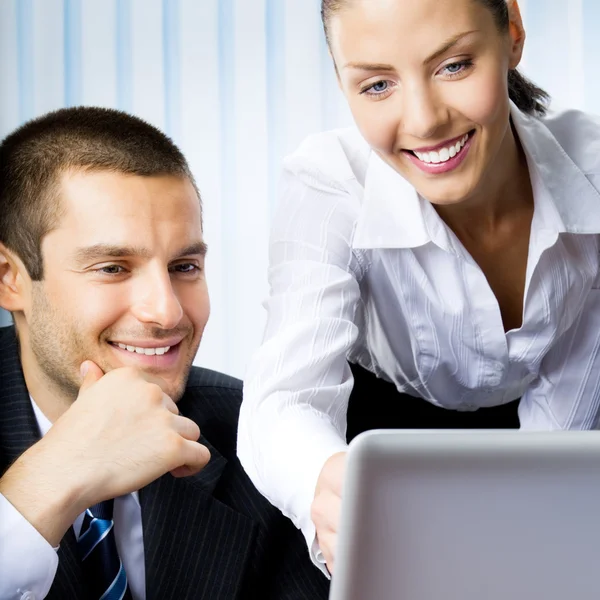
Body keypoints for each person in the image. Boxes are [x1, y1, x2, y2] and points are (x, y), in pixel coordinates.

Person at [238, 0, 600, 577]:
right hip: (375, 437)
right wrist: (334, 491)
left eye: (454, 65)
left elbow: (565, 433)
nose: (424, 119)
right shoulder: (331, 184)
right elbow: (283, 401)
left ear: (511, 31)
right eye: (377, 84)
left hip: (553, 436)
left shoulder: (592, 173)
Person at [0, 107, 330, 600]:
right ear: (11, 279)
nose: (167, 311)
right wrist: (49, 483)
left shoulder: (262, 437)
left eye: (184, 265)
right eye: (112, 267)